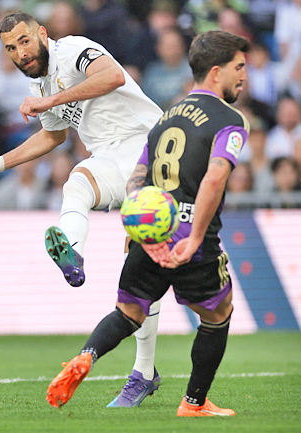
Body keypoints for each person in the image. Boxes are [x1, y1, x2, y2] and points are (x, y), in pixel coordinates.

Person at [0, 11, 165, 408]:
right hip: (110, 157)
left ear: (42, 33)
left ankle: (143, 371)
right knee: (76, 182)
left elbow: (112, 77)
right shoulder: (41, 82)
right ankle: (73, 256)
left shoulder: (74, 50)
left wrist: (50, 99)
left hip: (148, 150)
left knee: (139, 263)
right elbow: (52, 135)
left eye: (23, 41)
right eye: (10, 48)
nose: (20, 52)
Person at [44, 30, 250, 417]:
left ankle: (87, 355)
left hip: (150, 237)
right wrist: (193, 239)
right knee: (218, 313)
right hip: (194, 240)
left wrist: (140, 231)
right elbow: (216, 177)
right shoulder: (230, 119)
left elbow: (137, 179)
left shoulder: (165, 117)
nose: (244, 76)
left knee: (128, 312)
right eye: (239, 68)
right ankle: (194, 402)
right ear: (217, 71)